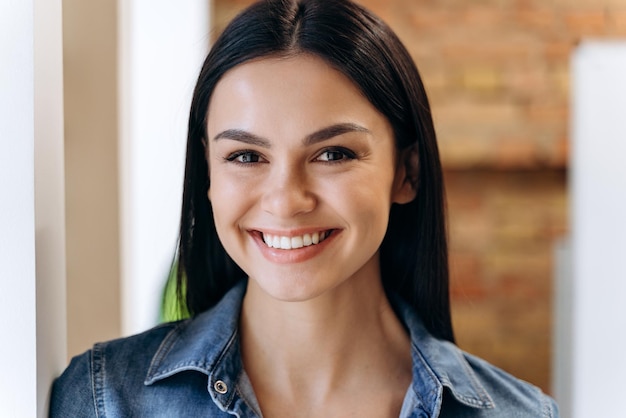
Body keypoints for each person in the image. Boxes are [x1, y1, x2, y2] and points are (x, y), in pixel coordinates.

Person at [50, 0, 559, 416]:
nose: (286, 200)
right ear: (208, 174)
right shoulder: (104, 401)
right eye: (246, 156)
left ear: (407, 173)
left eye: (332, 154)